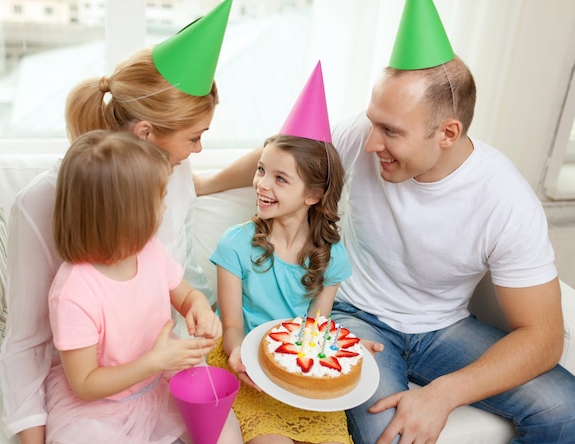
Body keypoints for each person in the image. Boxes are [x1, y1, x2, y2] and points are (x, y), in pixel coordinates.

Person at [195, 1, 575, 442]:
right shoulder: (362, 135)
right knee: (390, 437)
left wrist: (444, 393)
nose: (371, 142)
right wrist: (205, 184)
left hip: (444, 329)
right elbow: (289, 155)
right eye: (372, 122)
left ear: (447, 133)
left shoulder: (506, 201)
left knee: (566, 411)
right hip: (353, 317)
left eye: (391, 131)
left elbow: (545, 338)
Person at [0, 2, 242, 443]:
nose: (198, 151)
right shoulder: (41, 205)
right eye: (195, 138)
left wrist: (198, 310)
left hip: (157, 375)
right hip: (99, 392)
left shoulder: (177, 174)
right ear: (146, 134)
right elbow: (27, 344)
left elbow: (177, 284)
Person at [45, 129, 227, 443]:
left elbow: (186, 296)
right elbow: (85, 383)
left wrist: (199, 308)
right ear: (126, 215)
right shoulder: (73, 292)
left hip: (160, 383)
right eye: (159, 200)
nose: (166, 208)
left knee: (222, 432)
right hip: (102, 407)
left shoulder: (150, 251)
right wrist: (153, 362)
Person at [207, 63, 354, 444]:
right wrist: (240, 355)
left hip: (296, 370)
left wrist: (346, 349)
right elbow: (232, 326)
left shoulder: (330, 255)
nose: (261, 184)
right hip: (243, 364)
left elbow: (315, 331)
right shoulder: (235, 245)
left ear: (313, 195)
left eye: (280, 178)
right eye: (260, 170)